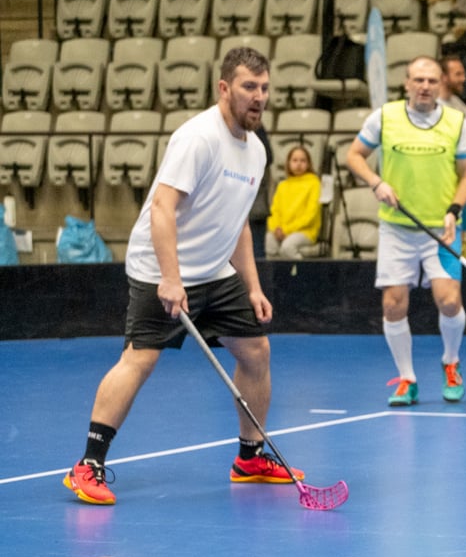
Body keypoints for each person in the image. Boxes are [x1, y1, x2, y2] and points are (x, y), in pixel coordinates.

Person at [65, 46, 295, 506]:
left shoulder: (256, 151)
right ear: (224, 88)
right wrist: (170, 279)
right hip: (160, 267)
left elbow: (237, 224)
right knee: (140, 359)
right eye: (249, 87)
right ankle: (87, 465)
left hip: (214, 270)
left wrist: (252, 287)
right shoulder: (198, 138)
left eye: (265, 88)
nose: (259, 97)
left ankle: (250, 458)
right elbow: (162, 208)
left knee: (255, 351)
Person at [345, 56, 466, 407]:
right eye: (418, 80)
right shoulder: (384, 117)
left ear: (440, 84)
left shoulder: (457, 122)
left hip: (442, 228)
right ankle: (407, 378)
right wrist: (376, 182)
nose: (424, 86)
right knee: (392, 304)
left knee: (449, 301)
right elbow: (354, 155)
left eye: (431, 81)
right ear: (406, 83)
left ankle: (451, 362)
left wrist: (454, 210)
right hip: (396, 227)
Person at [265, 143, 321, 260]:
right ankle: (275, 272)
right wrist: (276, 228)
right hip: (281, 231)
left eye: (303, 160)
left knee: (287, 247)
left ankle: (301, 271)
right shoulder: (282, 185)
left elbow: (310, 215)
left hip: (305, 232)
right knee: (269, 240)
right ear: (288, 163)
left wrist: (286, 230)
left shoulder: (314, 183)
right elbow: (274, 211)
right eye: (295, 160)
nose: (298, 164)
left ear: (308, 164)